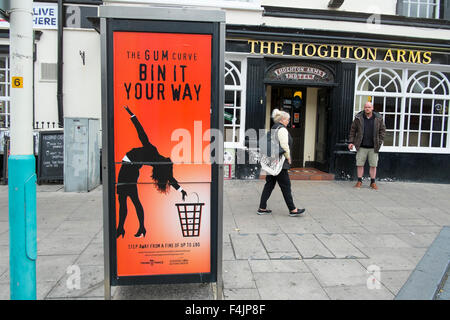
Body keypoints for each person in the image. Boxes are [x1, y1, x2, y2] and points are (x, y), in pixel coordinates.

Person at [116, 105, 187, 239]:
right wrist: (181, 190)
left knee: (126, 200)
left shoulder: (154, 154)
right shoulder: (157, 162)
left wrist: (133, 117)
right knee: (128, 200)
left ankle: (126, 228)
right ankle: (132, 228)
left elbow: (141, 134)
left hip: (128, 170)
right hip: (129, 169)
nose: (168, 158)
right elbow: (170, 178)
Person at [258, 109, 306, 217]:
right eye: (288, 119)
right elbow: (285, 146)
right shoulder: (282, 130)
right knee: (286, 186)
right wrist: (288, 158)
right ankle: (293, 209)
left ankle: (262, 208)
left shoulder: (273, 128)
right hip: (280, 163)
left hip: (272, 162)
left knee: (269, 184)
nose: (289, 121)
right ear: (283, 119)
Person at [348, 101, 386, 190]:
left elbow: (382, 131)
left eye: (369, 107)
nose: (367, 109)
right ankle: (359, 181)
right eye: (366, 107)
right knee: (359, 164)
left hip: (373, 147)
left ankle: (372, 182)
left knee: (373, 165)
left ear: (372, 108)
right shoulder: (358, 118)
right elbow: (353, 130)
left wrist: (379, 142)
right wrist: (351, 142)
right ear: (364, 108)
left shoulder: (378, 118)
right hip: (361, 146)